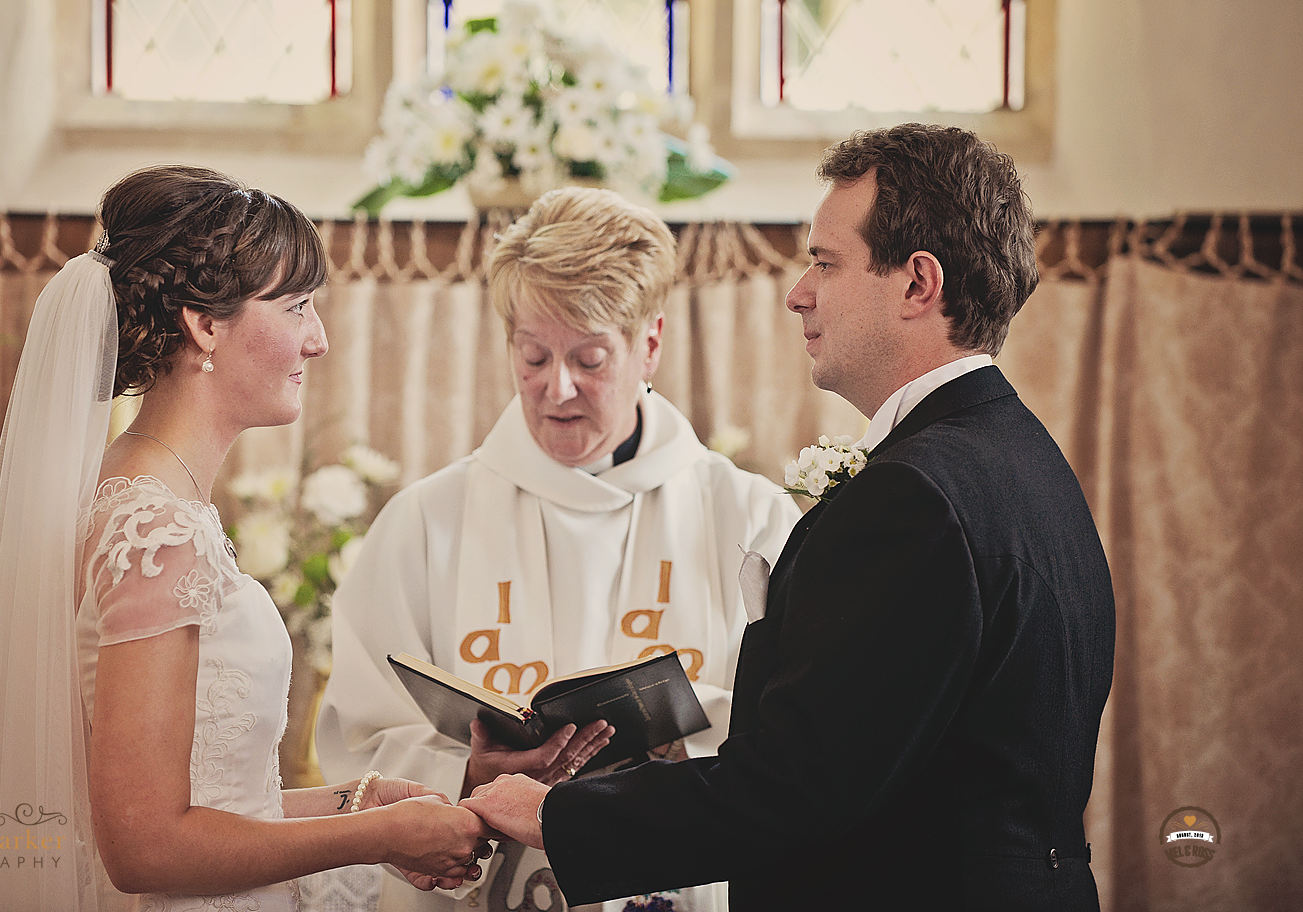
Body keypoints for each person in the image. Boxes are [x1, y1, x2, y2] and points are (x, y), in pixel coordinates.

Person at [462, 124, 1118, 911]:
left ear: (917, 284)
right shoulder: (1025, 460)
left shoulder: (916, 496)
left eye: (825, 262)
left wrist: (555, 815)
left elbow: (805, 783)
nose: (797, 291)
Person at [0, 165, 489, 911]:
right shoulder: (157, 533)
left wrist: (361, 804)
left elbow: (214, 804)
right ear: (205, 324)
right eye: (298, 306)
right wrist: (380, 837)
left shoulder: (140, 497)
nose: (319, 340)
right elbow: (146, 847)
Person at [316, 186, 802, 912]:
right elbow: (359, 737)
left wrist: (660, 758)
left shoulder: (749, 517)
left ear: (651, 345)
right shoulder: (425, 522)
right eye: (533, 355)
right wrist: (470, 774)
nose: (557, 388)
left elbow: (798, 741)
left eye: (590, 358)